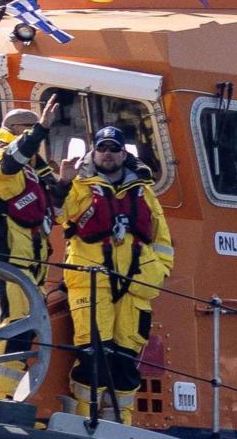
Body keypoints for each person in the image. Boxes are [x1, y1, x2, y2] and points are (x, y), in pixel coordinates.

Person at [60, 126, 172, 416]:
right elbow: (58, 215)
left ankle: (121, 423)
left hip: (135, 287)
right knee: (93, 355)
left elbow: (161, 239)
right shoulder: (79, 187)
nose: (107, 154)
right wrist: (63, 182)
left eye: (113, 148)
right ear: (94, 152)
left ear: (124, 153)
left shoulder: (143, 191)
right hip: (91, 282)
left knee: (125, 361)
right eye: (102, 148)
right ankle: (84, 419)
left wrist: (159, 271)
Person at [0, 107, 58, 401]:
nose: (35, 136)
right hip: (9, 254)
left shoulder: (33, 167)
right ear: (19, 129)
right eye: (30, 129)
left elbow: (55, 200)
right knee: (16, 323)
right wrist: (42, 129)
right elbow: (9, 164)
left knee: (24, 326)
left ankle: (4, 397)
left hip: (30, 258)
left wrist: (68, 179)